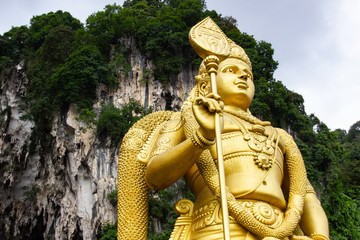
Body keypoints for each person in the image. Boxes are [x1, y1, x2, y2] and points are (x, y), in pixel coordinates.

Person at [117, 17, 330, 240]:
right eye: (230, 70)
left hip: (280, 230)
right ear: (206, 83)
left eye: (248, 74)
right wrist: (201, 137)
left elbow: (305, 196)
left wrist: (319, 237)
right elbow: (155, 176)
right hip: (217, 227)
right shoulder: (190, 120)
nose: (243, 76)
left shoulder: (278, 136)